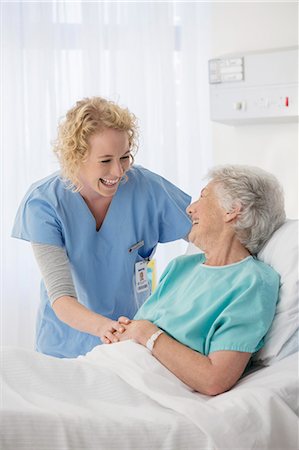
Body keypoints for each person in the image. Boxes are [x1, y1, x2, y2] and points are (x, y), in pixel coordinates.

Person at [12, 97, 191, 359]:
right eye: (105, 160)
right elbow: (61, 297)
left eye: (125, 157)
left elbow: (205, 234)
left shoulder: (147, 189)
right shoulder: (44, 203)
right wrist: (106, 329)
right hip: (65, 348)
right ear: (76, 157)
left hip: (131, 342)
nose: (118, 171)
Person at [111, 165, 286, 395]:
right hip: (113, 368)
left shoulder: (253, 282)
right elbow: (137, 331)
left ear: (232, 210)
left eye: (203, 196)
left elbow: (214, 379)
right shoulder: (181, 267)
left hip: (145, 389)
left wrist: (147, 333)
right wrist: (123, 331)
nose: (190, 209)